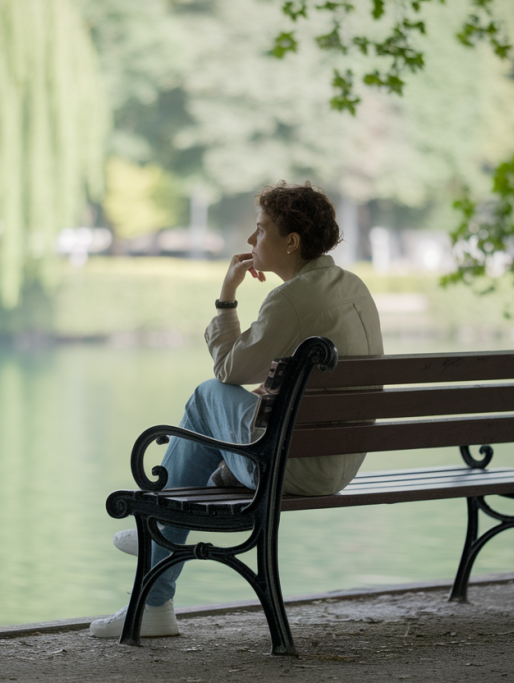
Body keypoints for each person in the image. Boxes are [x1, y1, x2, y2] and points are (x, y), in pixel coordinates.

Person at [89, 181, 384, 639]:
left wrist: (227, 296)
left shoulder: (291, 299)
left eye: (261, 230)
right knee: (222, 413)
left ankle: (160, 548)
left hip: (296, 469)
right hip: (339, 464)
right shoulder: (352, 286)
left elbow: (229, 370)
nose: (251, 241)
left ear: (292, 242)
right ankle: (162, 556)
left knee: (208, 395)